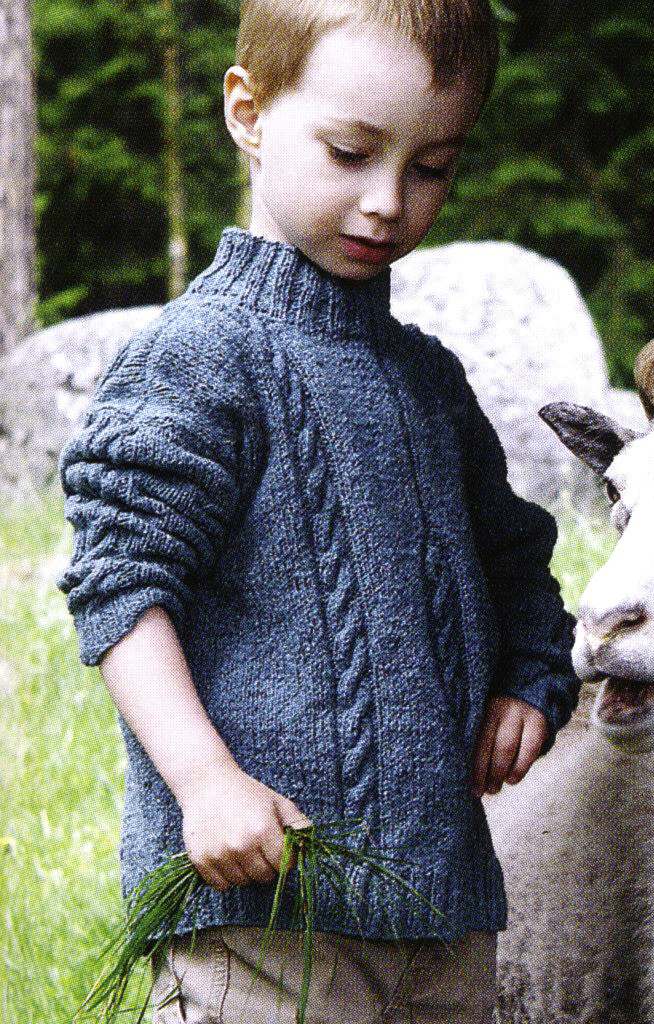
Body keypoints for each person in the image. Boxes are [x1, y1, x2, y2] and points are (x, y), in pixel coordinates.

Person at [56, 1, 581, 1020]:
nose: (388, 202)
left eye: (432, 167)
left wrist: (531, 675)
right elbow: (120, 587)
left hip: (441, 922)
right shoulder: (202, 353)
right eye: (350, 153)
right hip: (256, 914)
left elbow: (519, 563)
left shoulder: (430, 382)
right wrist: (205, 781)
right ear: (249, 113)